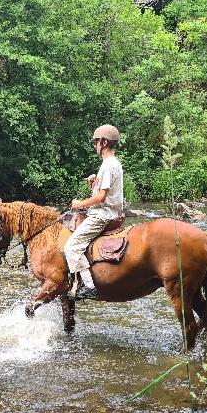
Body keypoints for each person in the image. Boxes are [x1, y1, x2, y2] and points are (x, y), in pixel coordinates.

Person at [64, 124, 124, 300]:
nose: (95, 146)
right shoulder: (113, 163)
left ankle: (89, 286)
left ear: (104, 142)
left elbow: (101, 198)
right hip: (112, 213)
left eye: (96, 142)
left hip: (101, 215)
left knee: (71, 246)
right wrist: (95, 182)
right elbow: (106, 189)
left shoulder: (108, 165)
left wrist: (78, 204)